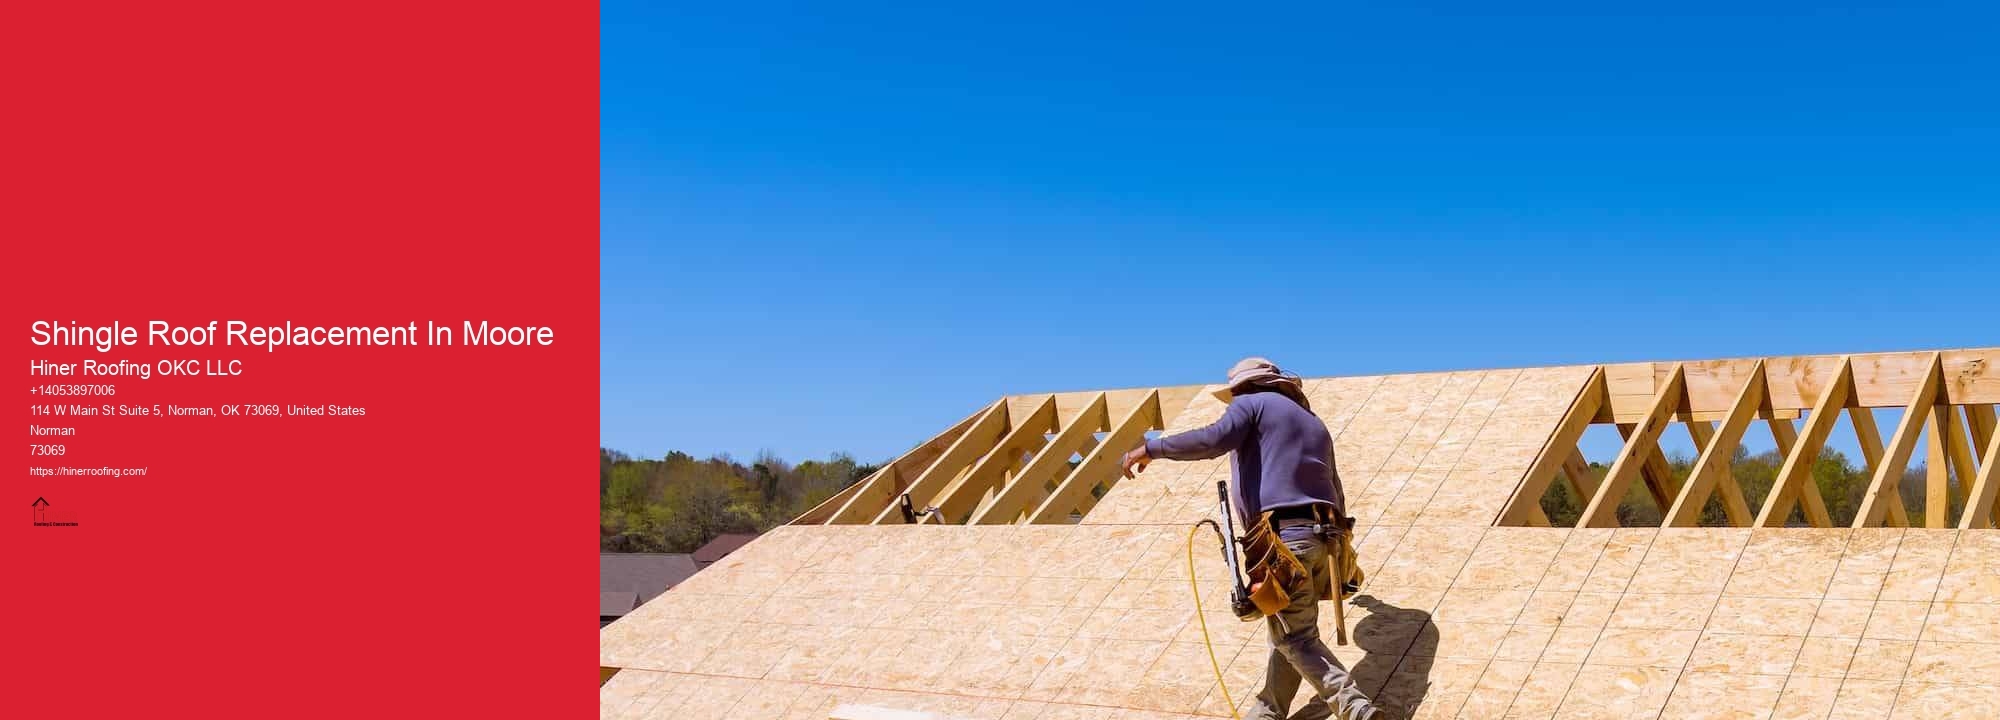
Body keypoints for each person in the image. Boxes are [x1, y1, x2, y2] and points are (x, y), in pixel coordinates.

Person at [1121, 357, 1377, 720]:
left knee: (1295, 637)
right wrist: (1342, 546)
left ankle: (1356, 709)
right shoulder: (1314, 423)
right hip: (1325, 538)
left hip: (1284, 539)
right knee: (1286, 629)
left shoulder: (1250, 403)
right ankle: (1268, 711)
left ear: (1244, 387)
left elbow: (1213, 439)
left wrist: (1152, 448)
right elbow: (1336, 487)